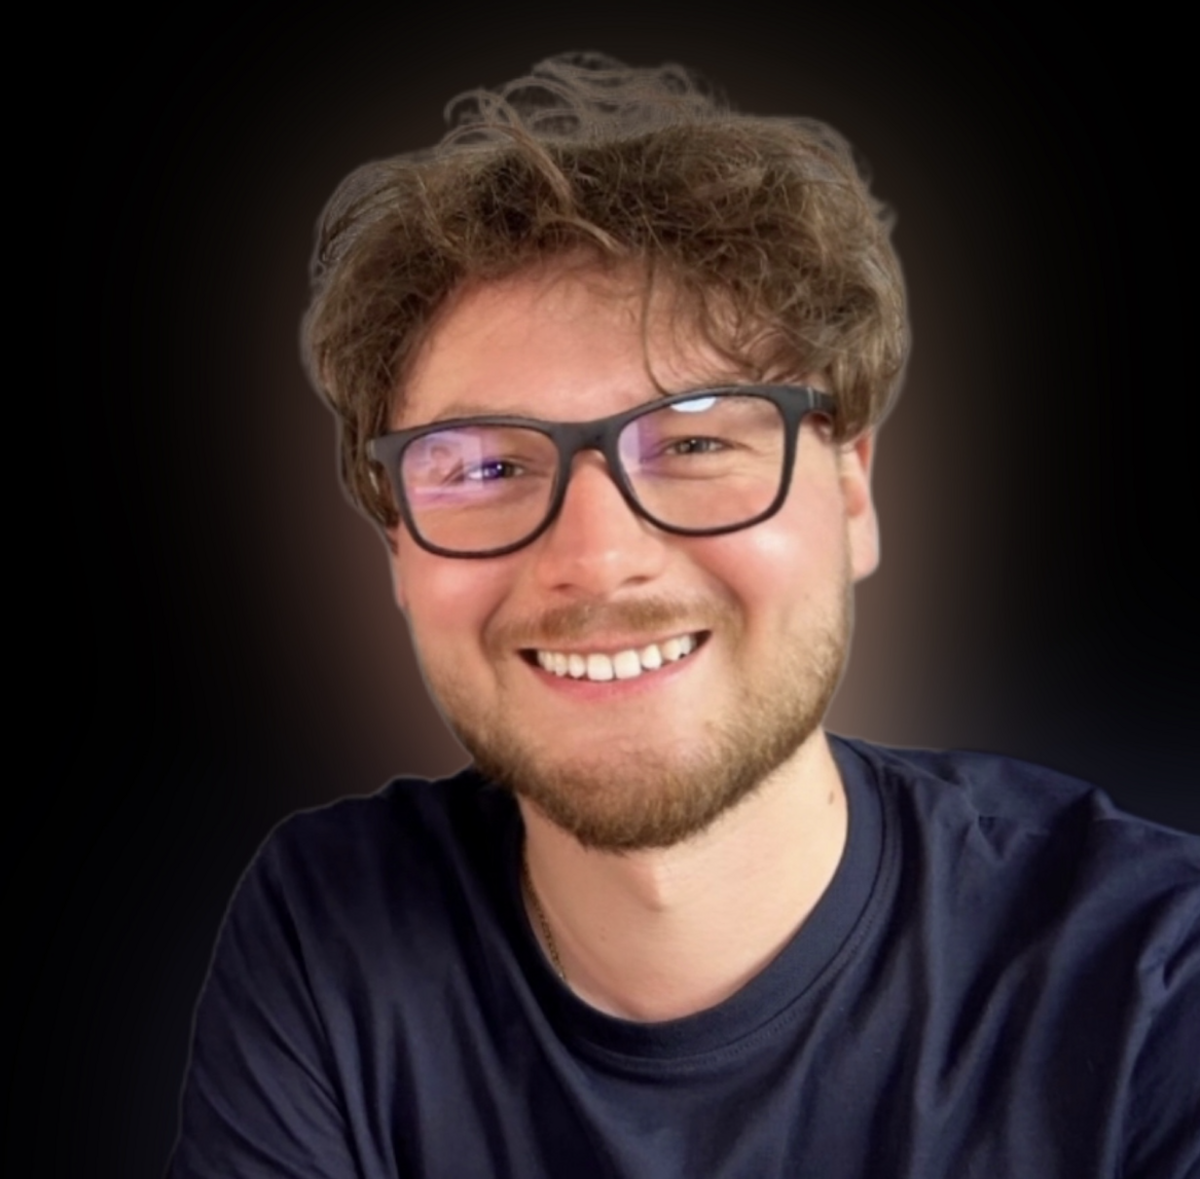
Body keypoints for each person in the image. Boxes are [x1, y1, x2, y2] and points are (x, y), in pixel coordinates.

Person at [168, 54, 1199, 1178]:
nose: (597, 559)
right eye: (485, 467)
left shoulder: (1156, 982)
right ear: (398, 554)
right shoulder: (329, 928)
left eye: (698, 442)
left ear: (854, 493)